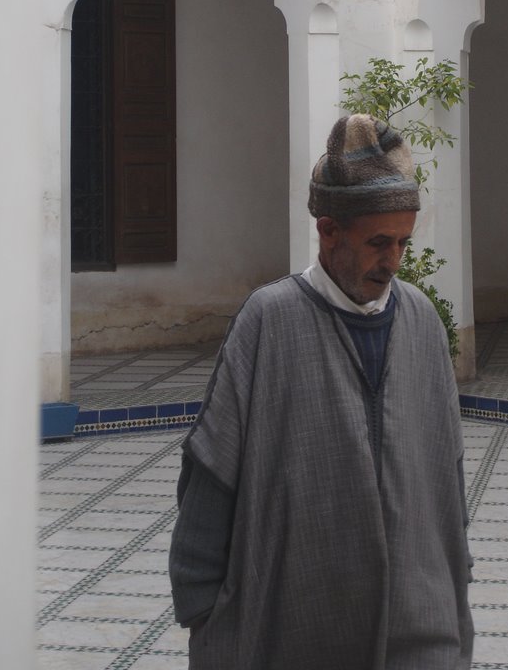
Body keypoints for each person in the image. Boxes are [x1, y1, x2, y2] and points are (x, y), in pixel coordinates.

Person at [169, 114, 474, 670]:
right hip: (292, 625)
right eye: (378, 242)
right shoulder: (270, 319)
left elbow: (446, 468)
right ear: (328, 231)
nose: (394, 261)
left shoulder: (423, 322)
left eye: (404, 242)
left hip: (417, 622)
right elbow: (212, 470)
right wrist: (200, 604)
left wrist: (456, 575)